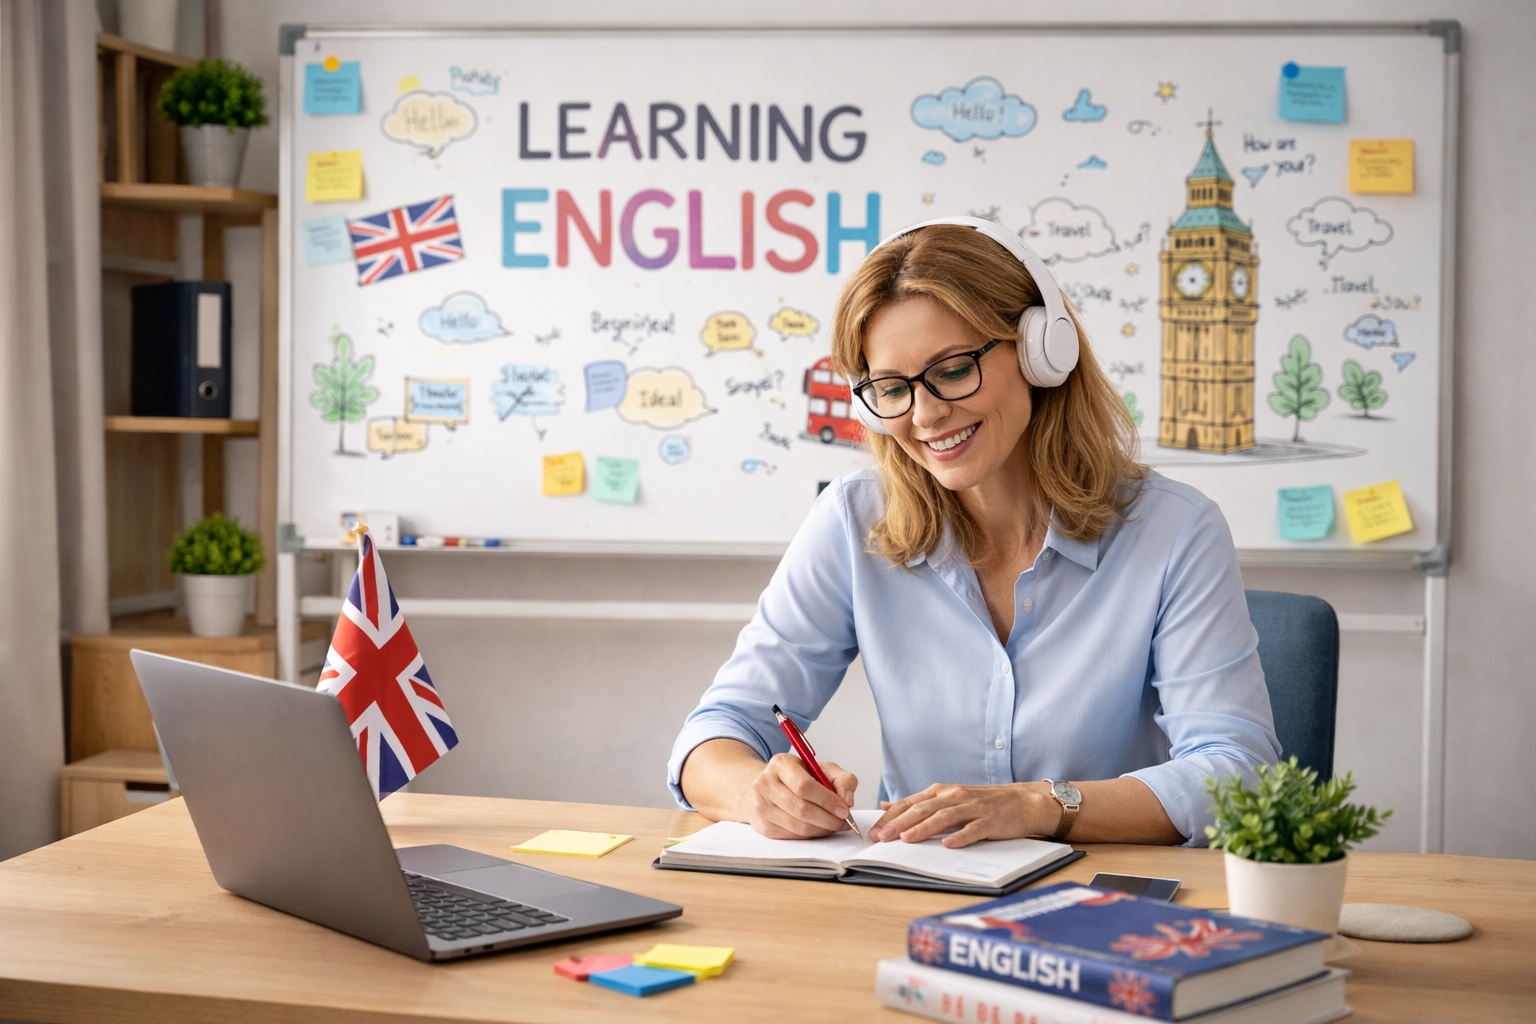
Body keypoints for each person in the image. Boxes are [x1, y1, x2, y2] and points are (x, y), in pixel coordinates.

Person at [667, 219, 1279, 849]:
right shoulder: (852, 521)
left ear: (1042, 352)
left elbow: (1240, 777)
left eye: (954, 370)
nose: (925, 414)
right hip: (922, 896)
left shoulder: (1175, 530)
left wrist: (1036, 806)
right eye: (892, 388)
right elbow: (715, 734)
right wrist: (757, 794)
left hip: (1106, 903)